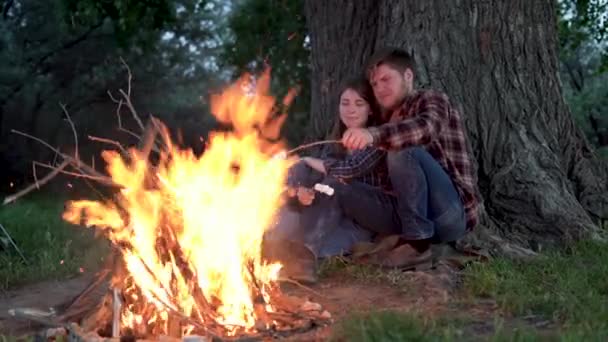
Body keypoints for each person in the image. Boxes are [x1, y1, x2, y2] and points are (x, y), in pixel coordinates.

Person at [333, 47, 480, 269]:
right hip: (403, 213)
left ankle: (417, 246)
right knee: (338, 189)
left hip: (448, 214)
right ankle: (316, 248)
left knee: (403, 149)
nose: (380, 88)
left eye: (386, 79)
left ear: (408, 76)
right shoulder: (387, 121)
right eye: (374, 84)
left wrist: (373, 135)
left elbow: (427, 127)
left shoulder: (432, 99)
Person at [264, 76, 391, 282]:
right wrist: (299, 191)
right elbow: (312, 179)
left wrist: (306, 159)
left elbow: (347, 171)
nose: (351, 110)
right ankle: (275, 243)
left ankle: (305, 253)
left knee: (330, 181)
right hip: (324, 217)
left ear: (370, 109)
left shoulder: (376, 141)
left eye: (359, 104)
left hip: (359, 221)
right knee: (298, 171)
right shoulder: (334, 143)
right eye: (345, 103)